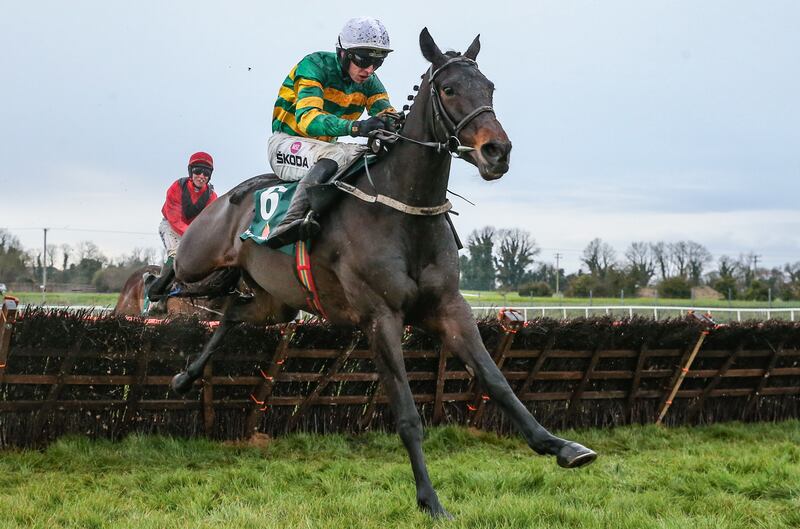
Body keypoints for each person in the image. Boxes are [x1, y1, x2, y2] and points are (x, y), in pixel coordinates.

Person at [265, 16, 399, 248]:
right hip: (286, 144)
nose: (369, 70)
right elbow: (308, 119)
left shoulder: (370, 82)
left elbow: (386, 113)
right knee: (336, 155)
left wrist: (396, 123)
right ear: (344, 53)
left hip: (323, 149)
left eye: (378, 63)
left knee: (367, 155)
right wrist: (355, 127)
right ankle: (289, 221)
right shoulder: (314, 66)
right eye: (364, 60)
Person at [145, 151, 218, 300]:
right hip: (171, 227)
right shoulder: (176, 188)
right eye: (198, 171)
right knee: (178, 255)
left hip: (193, 231)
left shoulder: (212, 196)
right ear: (191, 172)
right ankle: (156, 294)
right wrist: (194, 236)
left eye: (206, 173)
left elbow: (210, 223)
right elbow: (175, 220)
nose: (201, 176)